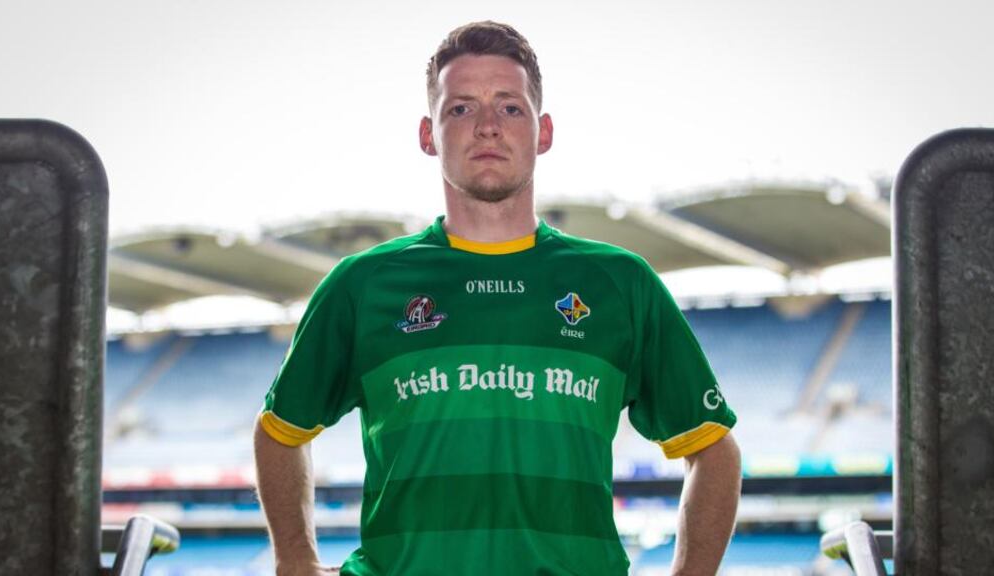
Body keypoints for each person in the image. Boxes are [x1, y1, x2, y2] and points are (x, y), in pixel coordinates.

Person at [254, 21, 741, 576]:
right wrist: (294, 559)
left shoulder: (620, 282)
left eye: (509, 107)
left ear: (544, 131)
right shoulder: (363, 284)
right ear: (428, 134)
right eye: (461, 109)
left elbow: (713, 449)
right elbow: (279, 431)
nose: (487, 127)